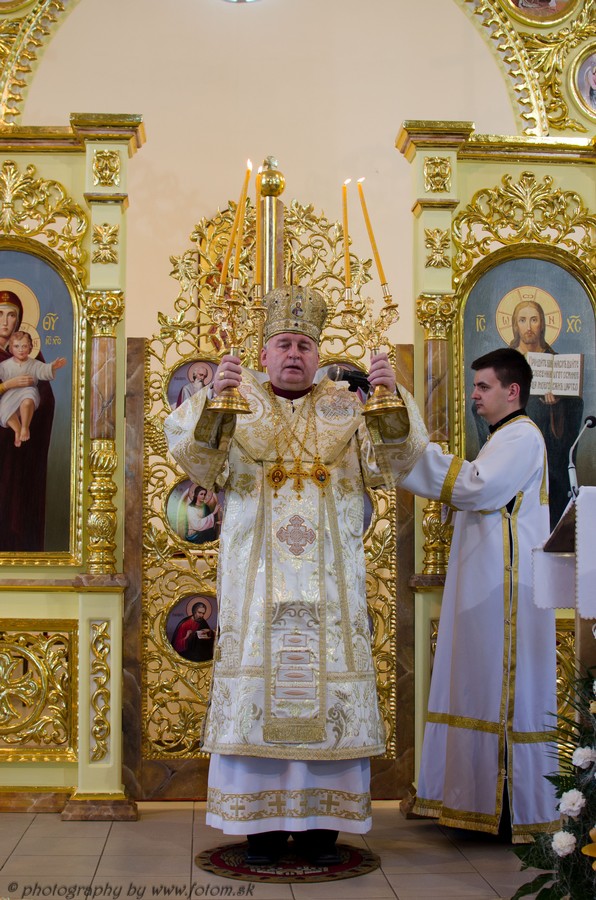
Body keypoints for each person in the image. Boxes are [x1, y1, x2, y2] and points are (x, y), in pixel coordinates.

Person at [164, 285, 424, 865]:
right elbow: (195, 460)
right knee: (258, 691)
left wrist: (391, 396)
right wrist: (215, 399)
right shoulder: (237, 396)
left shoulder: (346, 406)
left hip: (330, 589)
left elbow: (393, 463)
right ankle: (256, 826)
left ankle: (321, 828)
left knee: (326, 690)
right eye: (283, 343)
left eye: (304, 345)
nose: (294, 354)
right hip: (256, 589)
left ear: (318, 353)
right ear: (263, 353)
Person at [396, 348, 558, 843]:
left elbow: (477, 487)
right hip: (486, 589)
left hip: (503, 597)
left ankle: (502, 809)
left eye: (483, 386)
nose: (474, 395)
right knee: (472, 687)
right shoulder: (502, 438)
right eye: (474, 386)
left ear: (513, 390)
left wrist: (412, 452)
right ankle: (470, 802)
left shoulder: (521, 436)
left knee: (494, 691)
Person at [508, 298, 583, 528]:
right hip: (518, 445)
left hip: (551, 449)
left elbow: (577, 404)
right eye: (522, 320)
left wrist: (559, 404)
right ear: (515, 325)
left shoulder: (557, 362)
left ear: (542, 324)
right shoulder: (507, 362)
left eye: (534, 320)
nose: (528, 326)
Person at [0, 290, 56, 551]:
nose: (5, 321)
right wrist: (8, 385)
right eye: (0, 314)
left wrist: (31, 411)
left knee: (16, 507)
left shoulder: (32, 357)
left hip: (20, 454)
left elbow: (47, 399)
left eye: (11, 315)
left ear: (19, 319)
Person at [0, 330, 66, 447]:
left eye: (24, 346)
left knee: (27, 402)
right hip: (10, 393)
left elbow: (44, 370)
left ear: (30, 348)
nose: (21, 350)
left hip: (28, 391)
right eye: (16, 346)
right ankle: (17, 430)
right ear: (11, 348)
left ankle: (25, 427)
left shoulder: (34, 364)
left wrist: (53, 367)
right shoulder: (4, 365)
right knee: (3, 411)